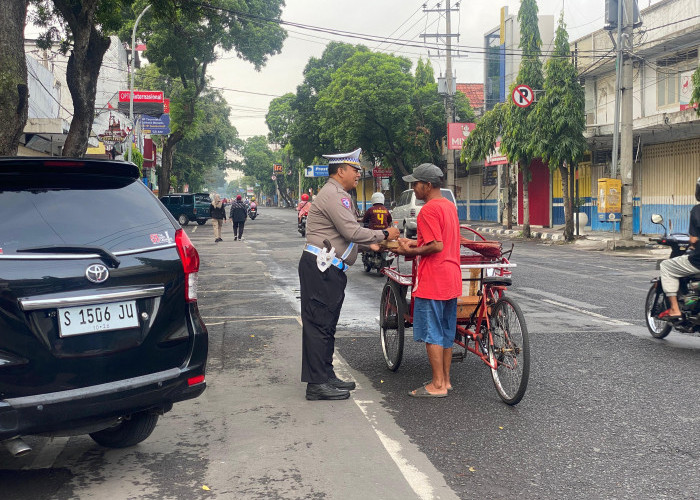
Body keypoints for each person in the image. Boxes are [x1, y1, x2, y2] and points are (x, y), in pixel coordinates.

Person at [299, 147, 400, 401]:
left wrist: (370, 244)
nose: (358, 174)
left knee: (327, 325)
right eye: (355, 170)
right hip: (322, 267)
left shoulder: (337, 193)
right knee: (319, 325)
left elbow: (345, 235)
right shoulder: (335, 195)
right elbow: (352, 231)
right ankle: (316, 384)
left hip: (329, 267)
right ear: (341, 170)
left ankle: (326, 375)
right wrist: (386, 234)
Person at [392, 163, 461, 398]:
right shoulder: (450, 207)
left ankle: (437, 385)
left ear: (427, 185)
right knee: (445, 332)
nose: (413, 188)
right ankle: (446, 380)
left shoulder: (428, 210)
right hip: (451, 277)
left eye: (416, 184)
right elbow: (441, 241)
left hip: (433, 279)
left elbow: (436, 245)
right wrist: (414, 244)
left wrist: (408, 252)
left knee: (432, 332)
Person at [660, 176, 700, 319]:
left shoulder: (697, 210)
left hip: (698, 261)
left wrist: (692, 245)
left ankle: (675, 309)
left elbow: (694, 239)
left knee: (666, 266)